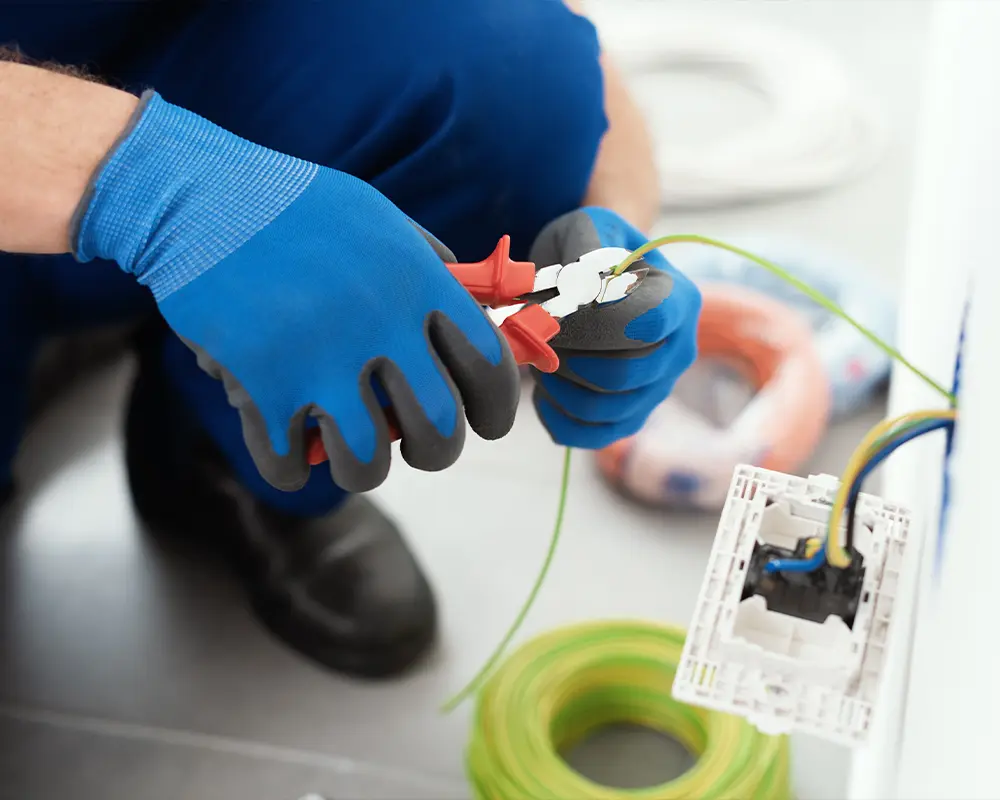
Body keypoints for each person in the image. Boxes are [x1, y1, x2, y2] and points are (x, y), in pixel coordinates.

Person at [0, 0, 700, 679]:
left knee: (511, 70)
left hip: (196, 49)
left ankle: (214, 450)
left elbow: (553, 28)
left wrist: (606, 233)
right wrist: (151, 187)